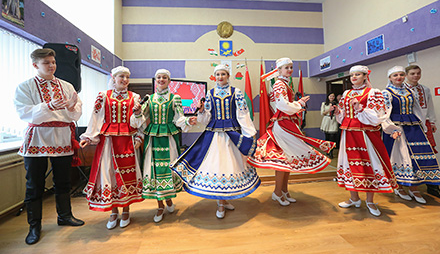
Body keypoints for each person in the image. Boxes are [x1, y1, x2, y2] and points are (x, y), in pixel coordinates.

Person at [171, 65, 261, 219]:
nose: (220, 77)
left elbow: (243, 113)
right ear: (214, 76)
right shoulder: (210, 93)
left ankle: (224, 200)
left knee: (229, 166)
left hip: (231, 134)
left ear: (228, 75)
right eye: (218, 74)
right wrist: (200, 112)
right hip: (214, 135)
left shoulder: (236, 92)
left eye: (223, 74)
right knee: (218, 166)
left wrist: (249, 133)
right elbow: (206, 118)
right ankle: (220, 203)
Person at [14, 48, 84, 245]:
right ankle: (34, 225)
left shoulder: (67, 85)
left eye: (53, 62)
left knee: (63, 181)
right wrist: (49, 106)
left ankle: (65, 216)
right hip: (38, 138)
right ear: (35, 65)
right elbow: (23, 112)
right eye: (46, 63)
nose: (52, 66)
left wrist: (72, 108)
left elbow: (76, 112)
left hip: (61, 137)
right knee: (34, 184)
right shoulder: (25, 87)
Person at [248, 57, 334, 206]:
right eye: (286, 67)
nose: (289, 70)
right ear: (279, 70)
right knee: (284, 160)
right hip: (283, 125)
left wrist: (296, 105)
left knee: (288, 161)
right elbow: (282, 105)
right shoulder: (279, 85)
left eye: (291, 67)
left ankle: (284, 191)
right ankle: (277, 192)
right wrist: (299, 103)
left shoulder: (285, 84)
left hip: (287, 124)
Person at [79, 66, 144, 229]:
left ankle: (126, 210)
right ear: (113, 78)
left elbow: (137, 123)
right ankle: (113, 211)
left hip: (127, 140)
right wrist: (88, 137)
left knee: (127, 174)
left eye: (127, 77)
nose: (124, 80)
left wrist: (137, 116)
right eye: (121, 76)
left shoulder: (134, 97)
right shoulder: (103, 96)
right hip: (108, 141)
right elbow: (95, 117)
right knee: (109, 173)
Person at [334, 65, 398, 217]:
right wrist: (338, 112)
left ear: (365, 76)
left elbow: (378, 116)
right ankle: (354, 198)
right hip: (348, 133)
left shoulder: (374, 93)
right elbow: (343, 114)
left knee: (370, 164)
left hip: (366, 134)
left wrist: (360, 109)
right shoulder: (346, 93)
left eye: (357, 74)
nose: (354, 77)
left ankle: (370, 201)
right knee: (349, 164)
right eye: (352, 75)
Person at [139, 69, 197, 222]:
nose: (161, 80)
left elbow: (179, 118)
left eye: (164, 77)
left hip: (169, 137)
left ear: (169, 81)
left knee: (168, 168)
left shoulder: (175, 98)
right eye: (159, 77)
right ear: (155, 80)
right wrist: (136, 112)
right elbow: (139, 118)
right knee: (155, 170)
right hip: (153, 138)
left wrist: (187, 121)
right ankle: (160, 206)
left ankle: (169, 200)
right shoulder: (149, 99)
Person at [381, 66, 440, 204]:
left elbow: (417, 109)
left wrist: (422, 125)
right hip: (396, 128)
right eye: (395, 75)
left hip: (413, 126)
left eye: (401, 74)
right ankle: (398, 186)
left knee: (416, 156)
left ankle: (414, 187)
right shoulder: (386, 93)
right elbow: (383, 113)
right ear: (390, 78)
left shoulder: (410, 91)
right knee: (400, 156)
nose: (399, 77)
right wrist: (391, 129)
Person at [404, 65, 440, 201]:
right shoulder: (401, 90)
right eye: (412, 73)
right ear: (407, 75)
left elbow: (430, 107)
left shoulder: (425, 89)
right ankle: (409, 186)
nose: (416, 76)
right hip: (409, 127)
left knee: (430, 155)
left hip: (425, 125)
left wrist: (433, 122)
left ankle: (433, 187)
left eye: (418, 73)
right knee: (410, 157)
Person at [320, 93, 339, 159]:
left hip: (333, 120)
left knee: (332, 137)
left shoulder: (336, 104)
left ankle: (331, 152)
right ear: (328, 96)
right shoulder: (324, 104)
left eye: (333, 96)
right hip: (327, 120)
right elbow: (322, 113)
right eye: (330, 96)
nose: (332, 97)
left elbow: (339, 113)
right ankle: (327, 151)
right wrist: (329, 109)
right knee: (327, 137)